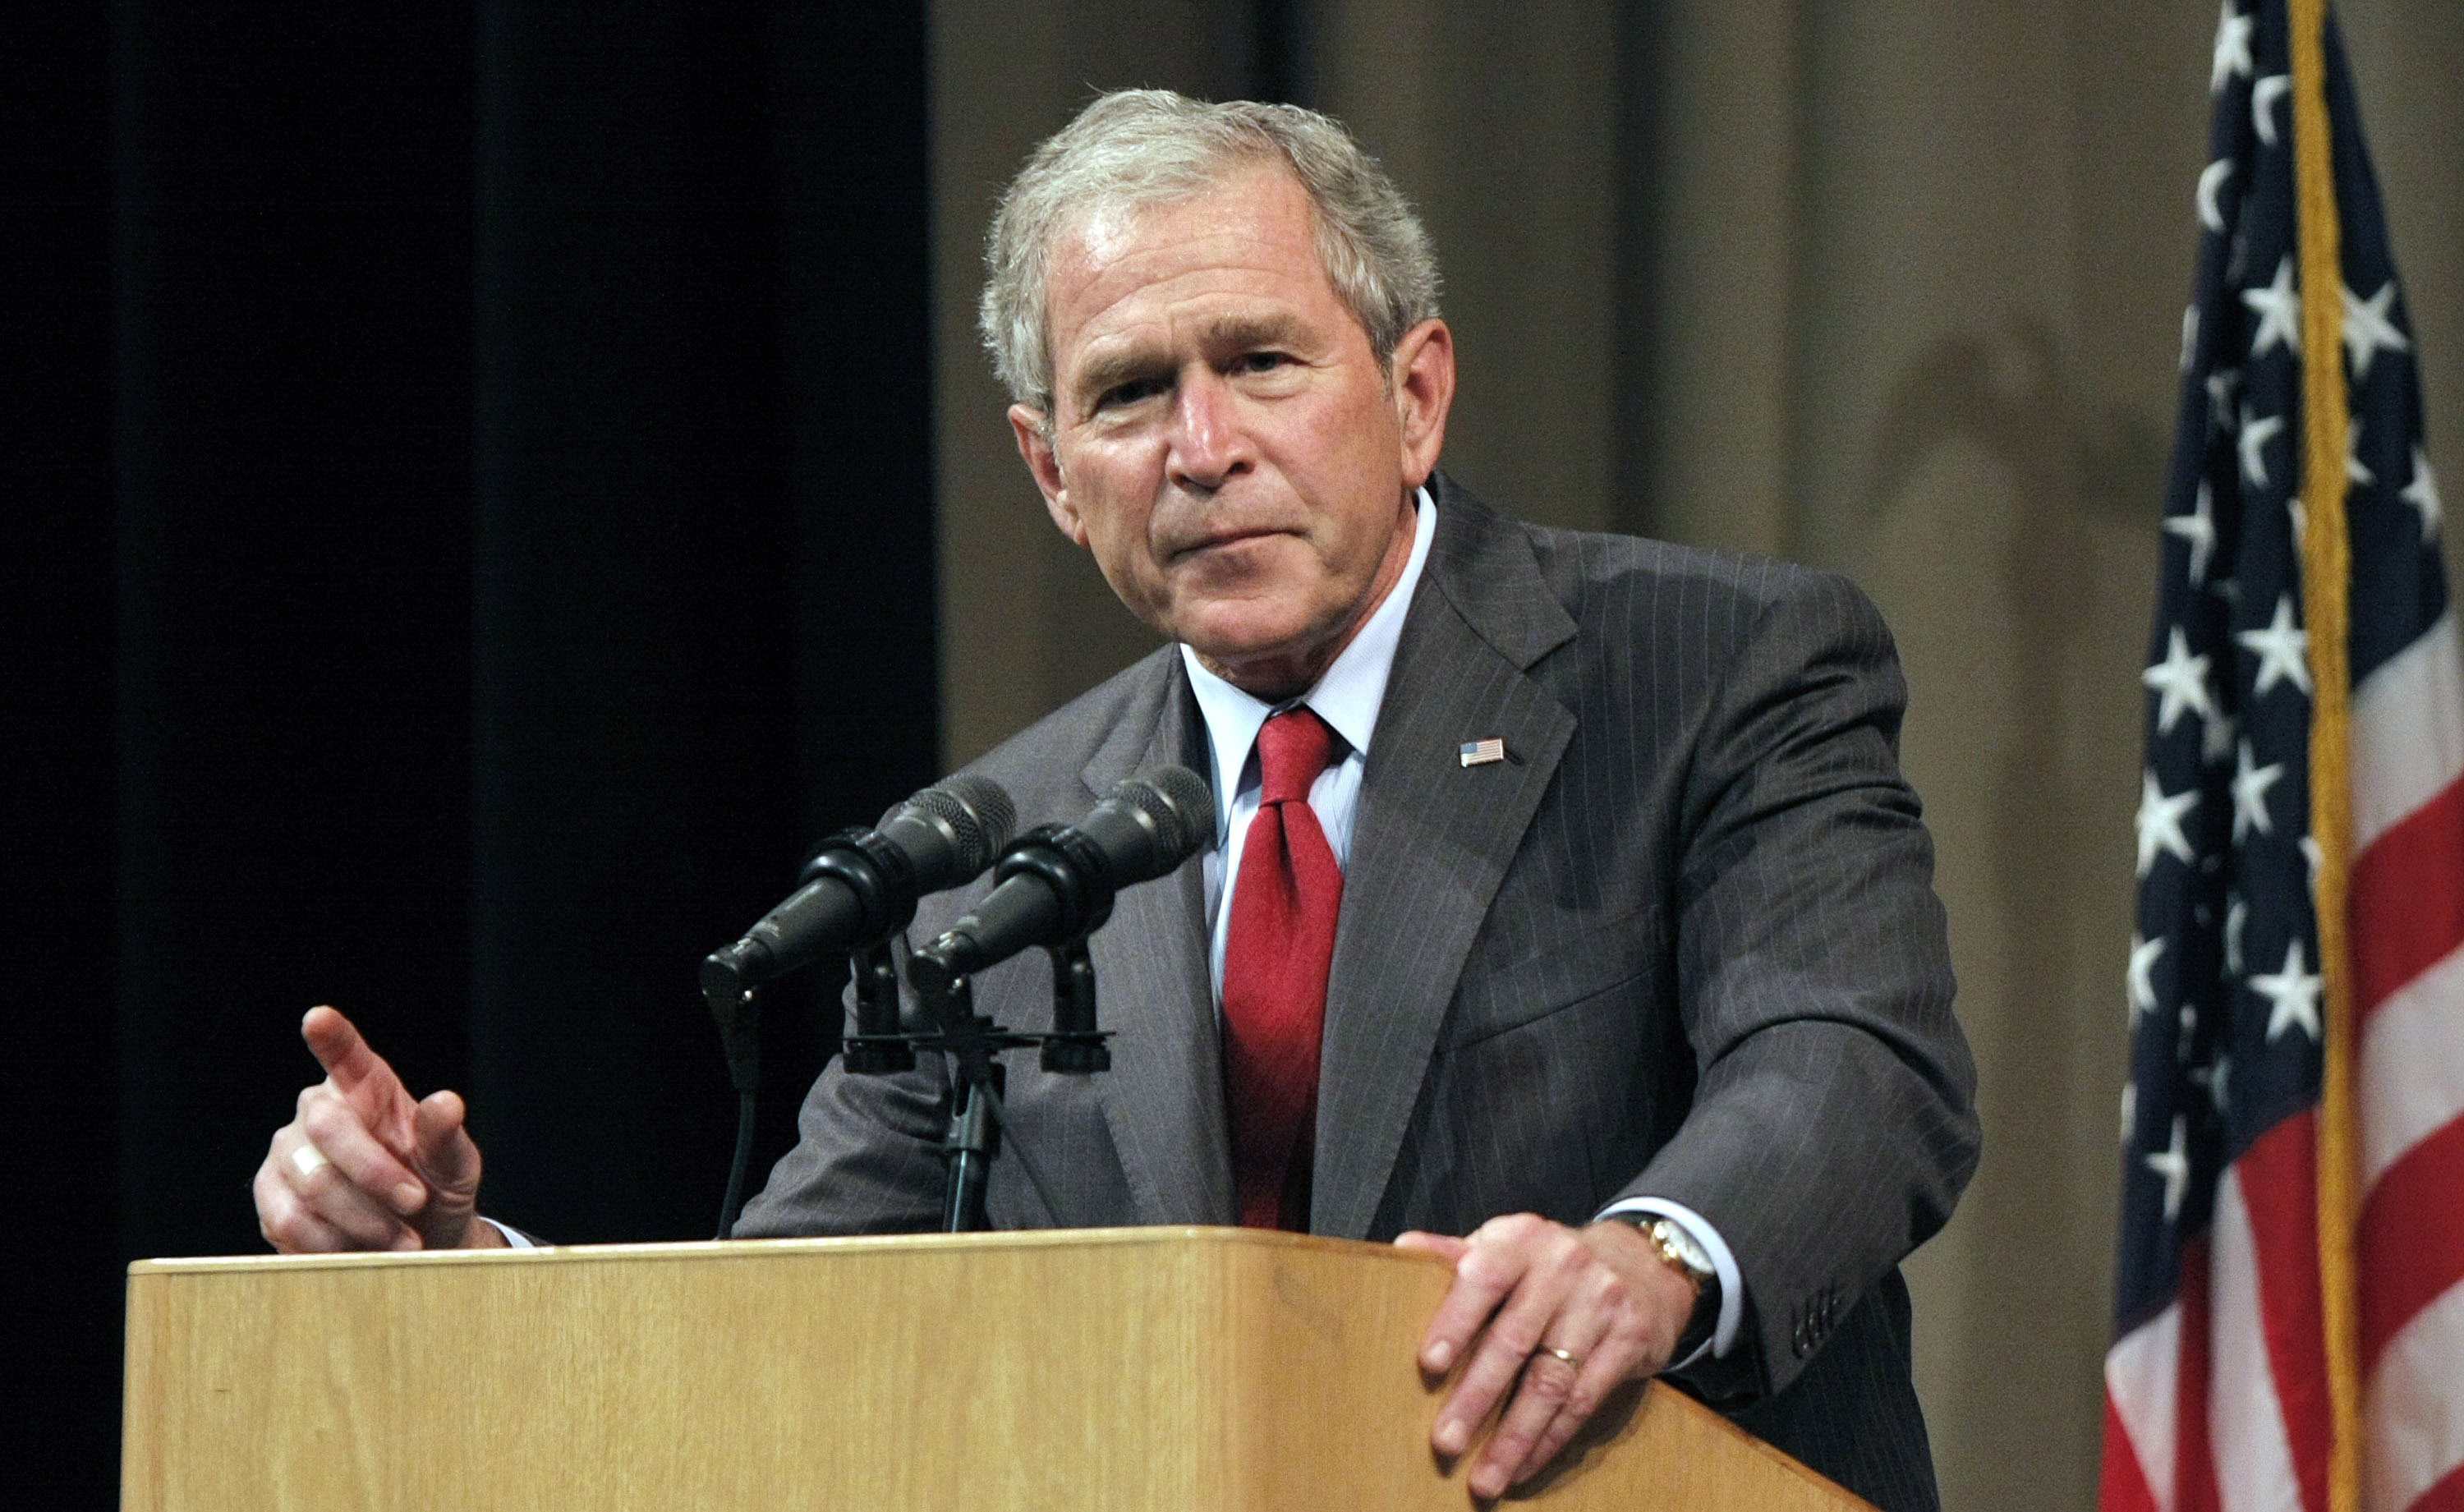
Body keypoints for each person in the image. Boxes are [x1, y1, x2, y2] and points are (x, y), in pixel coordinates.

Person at [255, 90, 1979, 1510]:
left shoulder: (1716, 668)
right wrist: (455, 1261)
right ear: (1050, 472)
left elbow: (1847, 1061)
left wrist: (1648, 1255)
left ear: (1418, 391)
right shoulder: (991, 856)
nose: (1202, 445)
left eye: (1265, 363)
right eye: (1132, 393)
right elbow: (785, 1322)